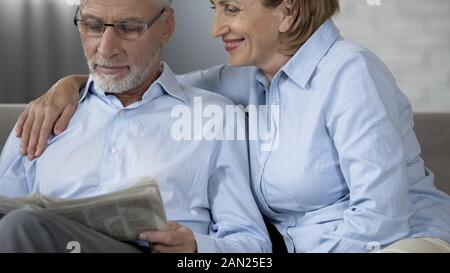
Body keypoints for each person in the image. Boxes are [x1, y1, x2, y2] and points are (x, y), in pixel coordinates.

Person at [15, 0, 450, 253]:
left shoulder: (348, 71)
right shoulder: (244, 79)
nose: (215, 26)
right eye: (214, 7)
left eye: (232, 8)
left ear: (288, 12)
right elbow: (142, 82)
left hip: (399, 245)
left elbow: (382, 218)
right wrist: (70, 84)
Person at [0, 0, 272, 253]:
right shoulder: (43, 116)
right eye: (93, 26)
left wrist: (197, 248)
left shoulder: (215, 117)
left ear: (166, 26)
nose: (106, 49)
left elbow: (253, 246)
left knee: (22, 226)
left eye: (128, 28)